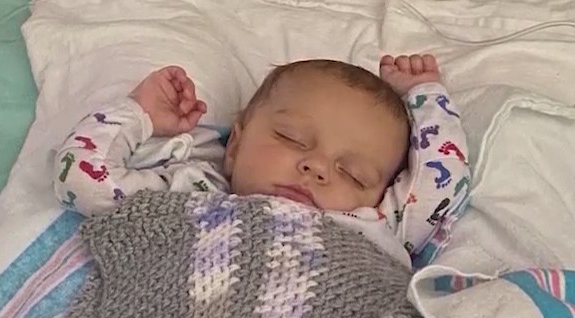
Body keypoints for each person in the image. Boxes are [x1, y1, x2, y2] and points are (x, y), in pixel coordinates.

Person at [52, 54, 471, 267]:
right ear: (235, 145)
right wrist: (139, 114)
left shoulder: (374, 225)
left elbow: (441, 185)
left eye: (353, 173)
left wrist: (425, 94)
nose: (317, 167)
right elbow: (85, 182)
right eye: (292, 138)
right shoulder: (193, 193)